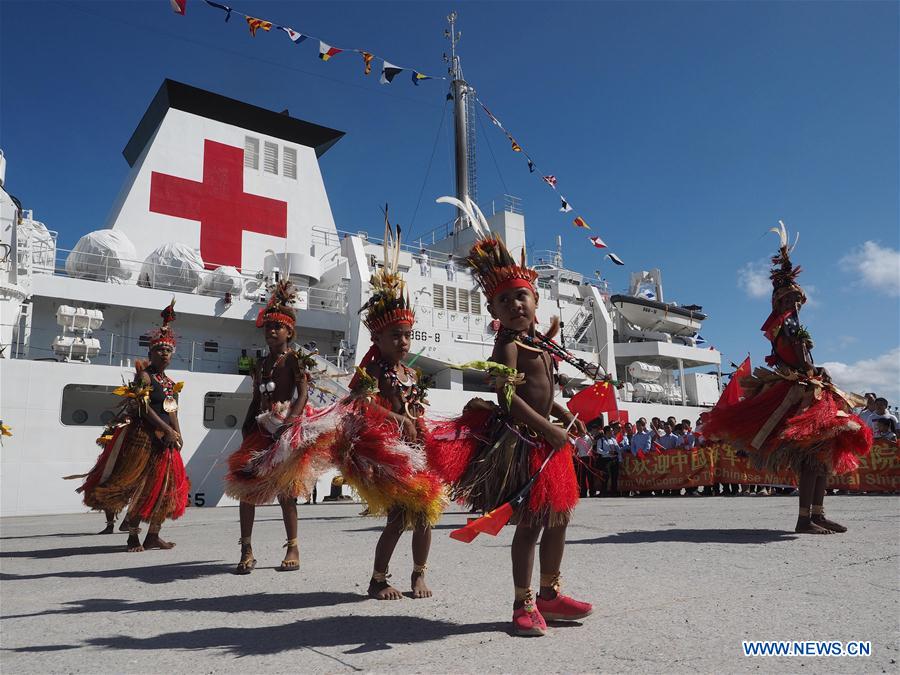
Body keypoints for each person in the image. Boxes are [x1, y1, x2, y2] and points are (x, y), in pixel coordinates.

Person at [428, 219, 592, 637]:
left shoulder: (539, 344)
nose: (515, 305)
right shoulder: (508, 344)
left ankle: (551, 594)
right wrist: (550, 429)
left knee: (559, 517)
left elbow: (540, 390)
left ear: (536, 300)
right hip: (524, 442)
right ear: (492, 310)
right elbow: (506, 397)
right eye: (505, 300)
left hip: (546, 438)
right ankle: (523, 604)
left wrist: (564, 414)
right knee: (532, 524)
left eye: (522, 296)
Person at [701, 222, 871, 533]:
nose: (797, 303)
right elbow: (798, 359)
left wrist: (817, 371)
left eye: (798, 299)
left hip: (808, 386)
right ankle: (805, 518)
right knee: (811, 457)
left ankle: (817, 514)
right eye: (791, 299)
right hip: (799, 392)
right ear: (780, 301)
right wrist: (814, 371)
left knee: (821, 457)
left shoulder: (790, 325)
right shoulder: (787, 326)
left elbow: (804, 360)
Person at [333, 218, 444, 600]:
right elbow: (356, 405)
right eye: (395, 334)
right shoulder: (373, 369)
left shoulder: (410, 371)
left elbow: (418, 409)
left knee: (427, 515)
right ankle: (378, 579)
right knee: (397, 519)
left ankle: (418, 575)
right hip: (390, 454)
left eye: (407, 335)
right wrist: (397, 419)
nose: (403, 340)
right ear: (376, 337)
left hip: (416, 451)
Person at [225, 281, 336, 574]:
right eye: (268, 327)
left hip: (285, 433)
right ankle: (246, 548)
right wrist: (248, 425)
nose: (271, 331)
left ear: (290, 332)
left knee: (287, 493)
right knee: (246, 489)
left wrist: (289, 423)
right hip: (260, 432)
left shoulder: (295, 360)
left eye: (278, 327)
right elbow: (257, 397)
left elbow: (302, 394)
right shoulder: (261, 364)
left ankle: (293, 546)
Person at [77, 299, 189, 551]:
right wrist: (167, 429)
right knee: (144, 486)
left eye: (168, 350)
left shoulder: (170, 382)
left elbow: (172, 409)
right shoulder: (145, 376)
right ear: (150, 353)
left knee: (166, 486)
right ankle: (133, 536)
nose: (165, 354)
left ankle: (153, 535)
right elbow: (142, 407)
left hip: (167, 440)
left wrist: (178, 433)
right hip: (145, 438)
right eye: (160, 350)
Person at [596, 425, 621, 496]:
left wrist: (620, 459)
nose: (612, 432)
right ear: (606, 432)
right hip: (605, 459)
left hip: (614, 459)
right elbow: (598, 450)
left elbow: (618, 449)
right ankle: (603, 491)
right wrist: (607, 452)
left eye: (612, 431)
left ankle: (614, 491)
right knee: (606, 476)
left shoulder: (613, 439)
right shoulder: (601, 440)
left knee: (614, 476)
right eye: (610, 431)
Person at [574, 432, 594, 498]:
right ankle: (583, 493)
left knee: (590, 476)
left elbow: (593, 444)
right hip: (581, 458)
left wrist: (590, 436)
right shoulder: (577, 439)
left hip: (588, 458)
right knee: (582, 476)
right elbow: (575, 447)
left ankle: (592, 492)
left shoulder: (589, 438)